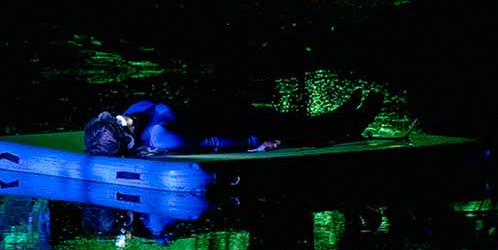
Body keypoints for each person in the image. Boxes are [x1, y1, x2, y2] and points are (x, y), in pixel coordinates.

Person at [82, 89, 382, 157]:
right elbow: (208, 144)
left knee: (293, 120)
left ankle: (343, 116)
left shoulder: (135, 116)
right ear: (126, 139)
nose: (122, 117)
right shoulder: (159, 136)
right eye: (119, 125)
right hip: (234, 129)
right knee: (297, 130)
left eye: (114, 118)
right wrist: (253, 144)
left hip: (223, 112)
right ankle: (350, 123)